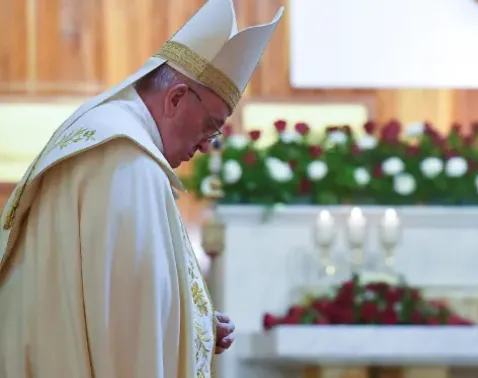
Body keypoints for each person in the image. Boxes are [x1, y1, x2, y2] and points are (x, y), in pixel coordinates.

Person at [0, 0, 283, 376]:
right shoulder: (128, 164)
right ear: (176, 97)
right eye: (209, 127)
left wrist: (196, 323)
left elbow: (115, 297)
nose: (204, 145)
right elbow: (130, 329)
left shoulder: (104, 135)